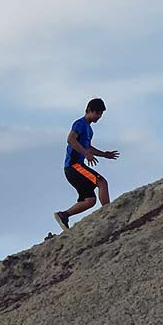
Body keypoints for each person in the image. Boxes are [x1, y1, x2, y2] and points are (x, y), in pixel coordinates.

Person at [54, 98, 119, 231]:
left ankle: (64, 215)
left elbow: (88, 147)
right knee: (102, 182)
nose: (99, 116)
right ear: (89, 110)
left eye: (101, 114)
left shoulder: (89, 130)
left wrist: (104, 154)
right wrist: (85, 154)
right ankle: (110, 213)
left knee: (90, 200)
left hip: (74, 168)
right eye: (97, 113)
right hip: (73, 166)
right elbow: (70, 139)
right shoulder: (80, 123)